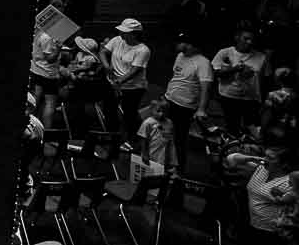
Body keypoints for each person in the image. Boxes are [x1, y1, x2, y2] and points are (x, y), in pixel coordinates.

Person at [162, 38, 214, 168]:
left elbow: (206, 88)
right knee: (163, 133)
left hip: (184, 106)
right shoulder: (180, 56)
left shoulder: (203, 63)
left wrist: (201, 109)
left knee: (179, 138)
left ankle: (179, 168)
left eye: (182, 43)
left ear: (191, 45)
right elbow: (177, 77)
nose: (179, 45)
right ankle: (162, 162)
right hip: (169, 100)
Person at [100, 18, 151, 139]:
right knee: (109, 109)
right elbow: (103, 52)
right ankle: (113, 135)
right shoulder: (117, 40)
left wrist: (119, 82)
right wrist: (107, 66)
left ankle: (134, 138)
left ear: (134, 34)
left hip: (133, 87)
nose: (121, 34)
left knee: (129, 113)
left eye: (125, 32)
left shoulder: (143, 50)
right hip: (113, 83)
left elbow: (134, 71)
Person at [213, 26, 268, 132]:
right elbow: (216, 74)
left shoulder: (261, 57)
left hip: (251, 99)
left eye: (252, 39)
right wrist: (235, 69)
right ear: (237, 37)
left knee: (252, 129)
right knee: (232, 127)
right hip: (229, 96)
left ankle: (248, 148)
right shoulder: (224, 52)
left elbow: (265, 80)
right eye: (246, 38)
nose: (249, 42)